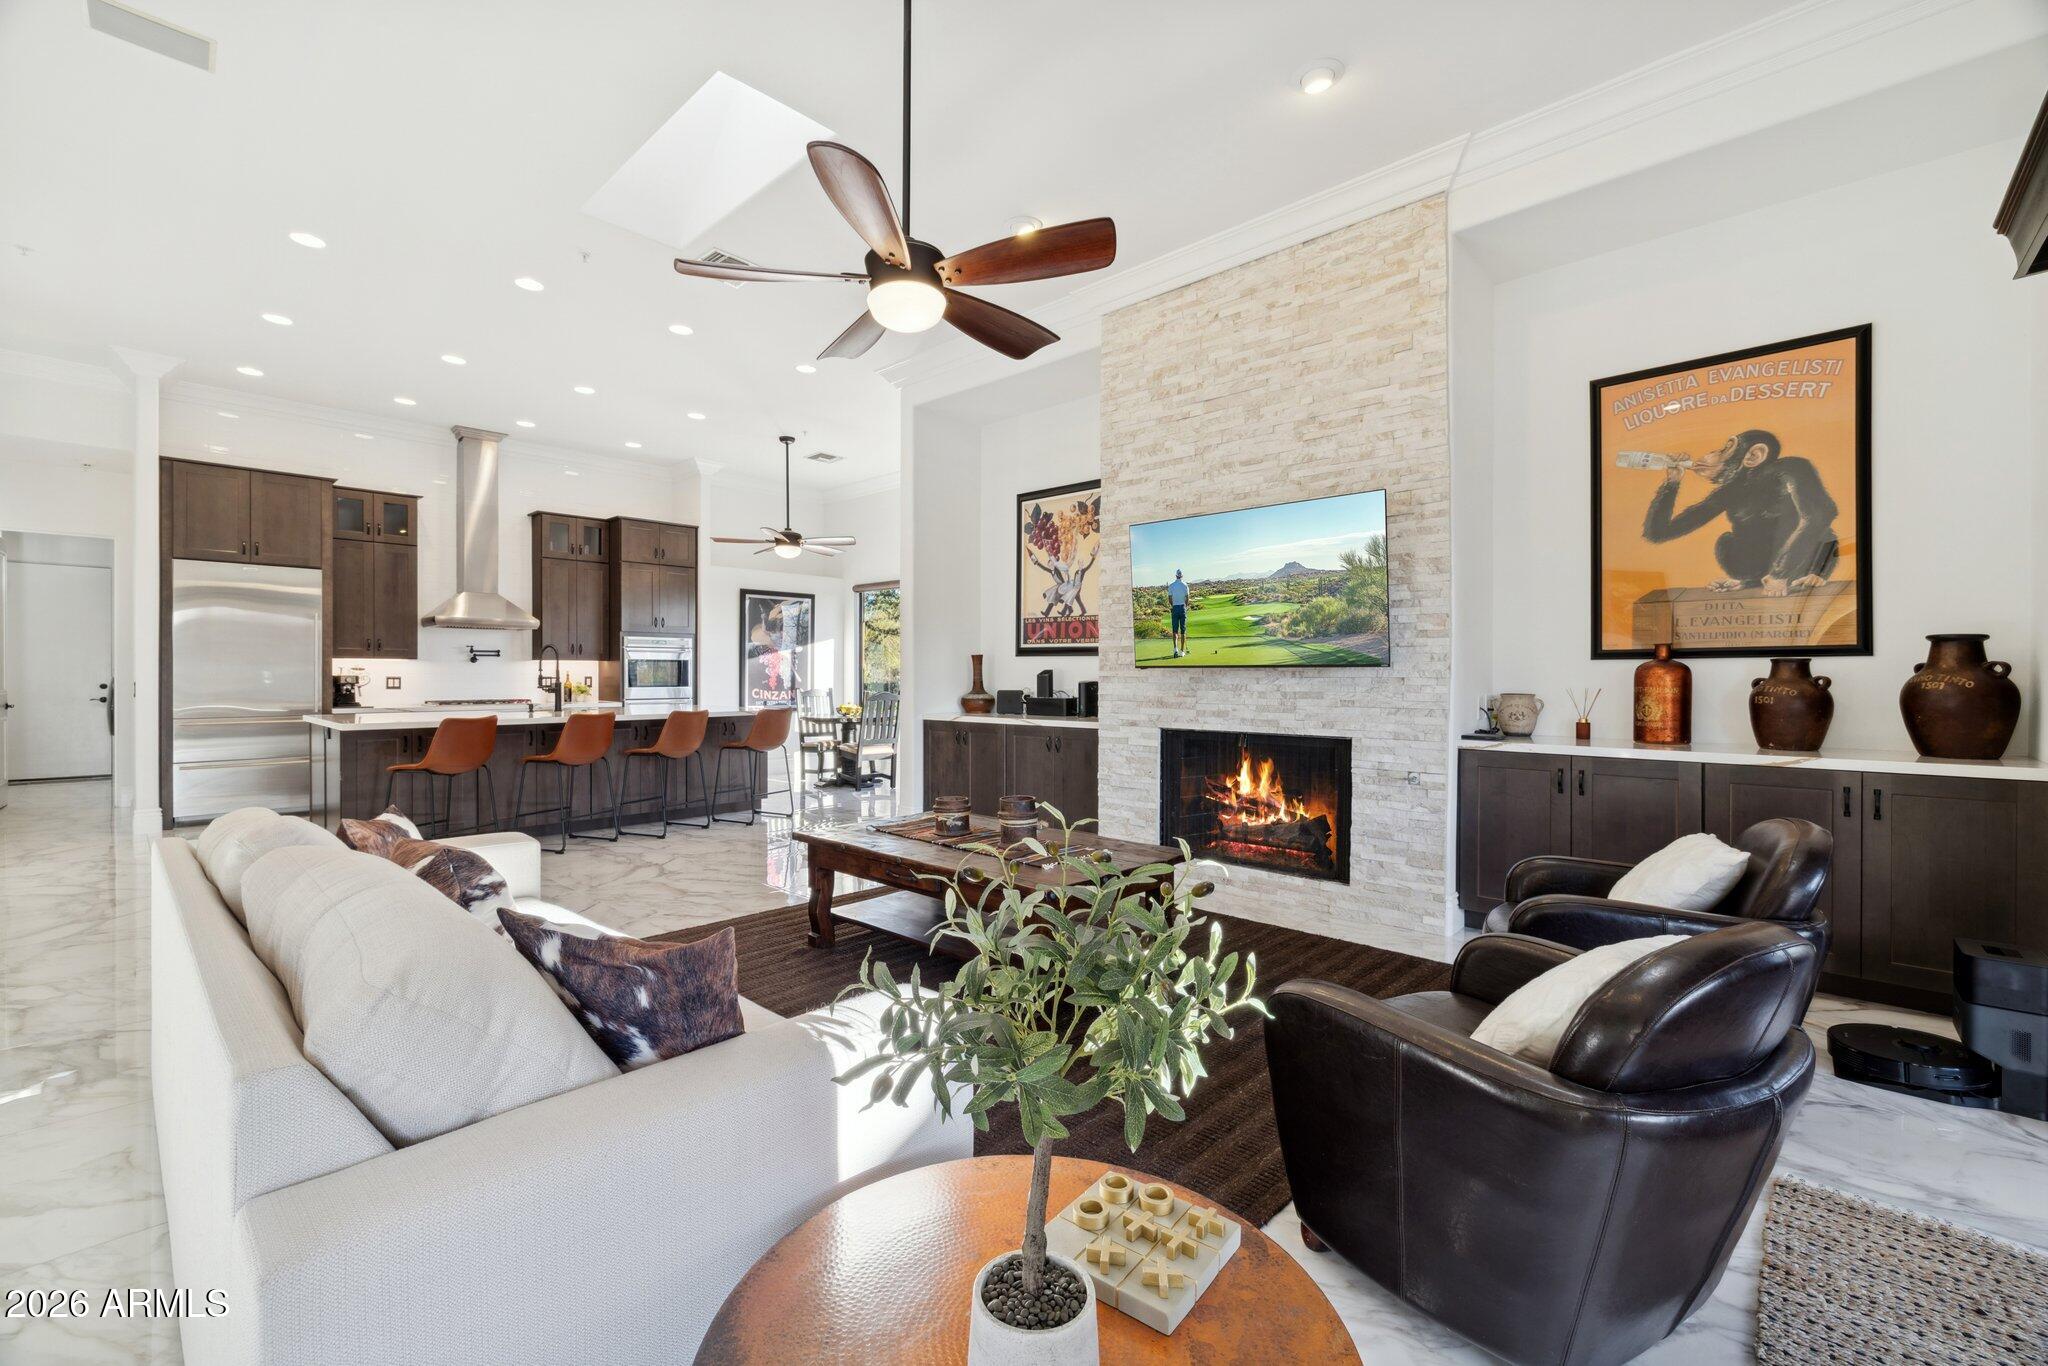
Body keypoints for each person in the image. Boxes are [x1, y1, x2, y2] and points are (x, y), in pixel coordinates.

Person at [1641, 428, 1840, 596]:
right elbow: (1658, 533)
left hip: (1809, 563)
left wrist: (1781, 574)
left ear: (1754, 455)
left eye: (1725, 449)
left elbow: (1819, 515)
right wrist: (1672, 482)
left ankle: (1811, 573)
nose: (1712, 453)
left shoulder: (1791, 468)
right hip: (1763, 574)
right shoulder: (1730, 491)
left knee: (1817, 528)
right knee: (1726, 542)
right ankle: (1751, 580)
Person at [1167, 569, 1190, 658]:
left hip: (1175, 608)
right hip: (1182, 608)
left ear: (1176, 576)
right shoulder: (1185, 585)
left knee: (1175, 631)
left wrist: (1173, 606)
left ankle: (1175, 649)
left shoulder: (1171, 586)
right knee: (1183, 631)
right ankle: (1182, 651)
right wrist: (1185, 607)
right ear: (1182, 576)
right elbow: (1187, 598)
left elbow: (1170, 599)